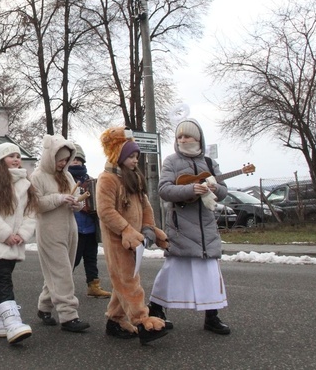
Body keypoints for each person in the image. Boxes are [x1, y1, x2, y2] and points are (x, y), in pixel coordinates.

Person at [149, 118, 231, 335]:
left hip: (206, 229)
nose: (183, 140)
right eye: (179, 136)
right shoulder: (171, 161)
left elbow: (223, 191)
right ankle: (156, 310)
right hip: (181, 228)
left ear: (198, 138)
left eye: (187, 136)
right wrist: (189, 190)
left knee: (210, 274)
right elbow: (164, 189)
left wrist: (214, 188)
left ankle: (212, 317)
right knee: (173, 271)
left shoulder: (210, 163)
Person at [96, 127, 170, 344]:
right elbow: (105, 211)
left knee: (122, 282)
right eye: (130, 156)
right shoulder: (107, 179)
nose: (135, 160)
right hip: (117, 240)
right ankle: (142, 321)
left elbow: (145, 206)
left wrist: (150, 228)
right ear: (118, 154)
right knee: (129, 281)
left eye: (136, 156)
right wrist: (126, 230)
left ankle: (115, 321)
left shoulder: (134, 177)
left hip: (136, 239)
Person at [0, 142, 38, 344]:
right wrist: (5, 234)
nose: (16, 159)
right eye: (11, 156)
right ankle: (13, 323)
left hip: (15, 241)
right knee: (3, 278)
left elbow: (31, 212)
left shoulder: (25, 182)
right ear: (1, 160)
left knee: (3, 277)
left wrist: (22, 233)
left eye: (18, 156)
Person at [31, 134, 90, 333]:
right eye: (60, 160)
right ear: (50, 157)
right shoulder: (37, 176)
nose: (63, 163)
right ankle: (68, 316)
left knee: (61, 271)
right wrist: (59, 198)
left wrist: (77, 203)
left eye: (66, 159)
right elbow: (34, 205)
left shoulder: (67, 175)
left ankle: (44, 307)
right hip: (49, 231)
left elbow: (73, 200)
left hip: (70, 229)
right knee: (63, 272)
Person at [68, 144, 111, 299]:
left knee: (91, 258)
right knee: (73, 259)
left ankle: (93, 286)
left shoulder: (90, 180)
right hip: (74, 227)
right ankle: (63, 286)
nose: (75, 162)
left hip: (90, 226)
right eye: (72, 159)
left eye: (78, 159)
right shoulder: (65, 180)